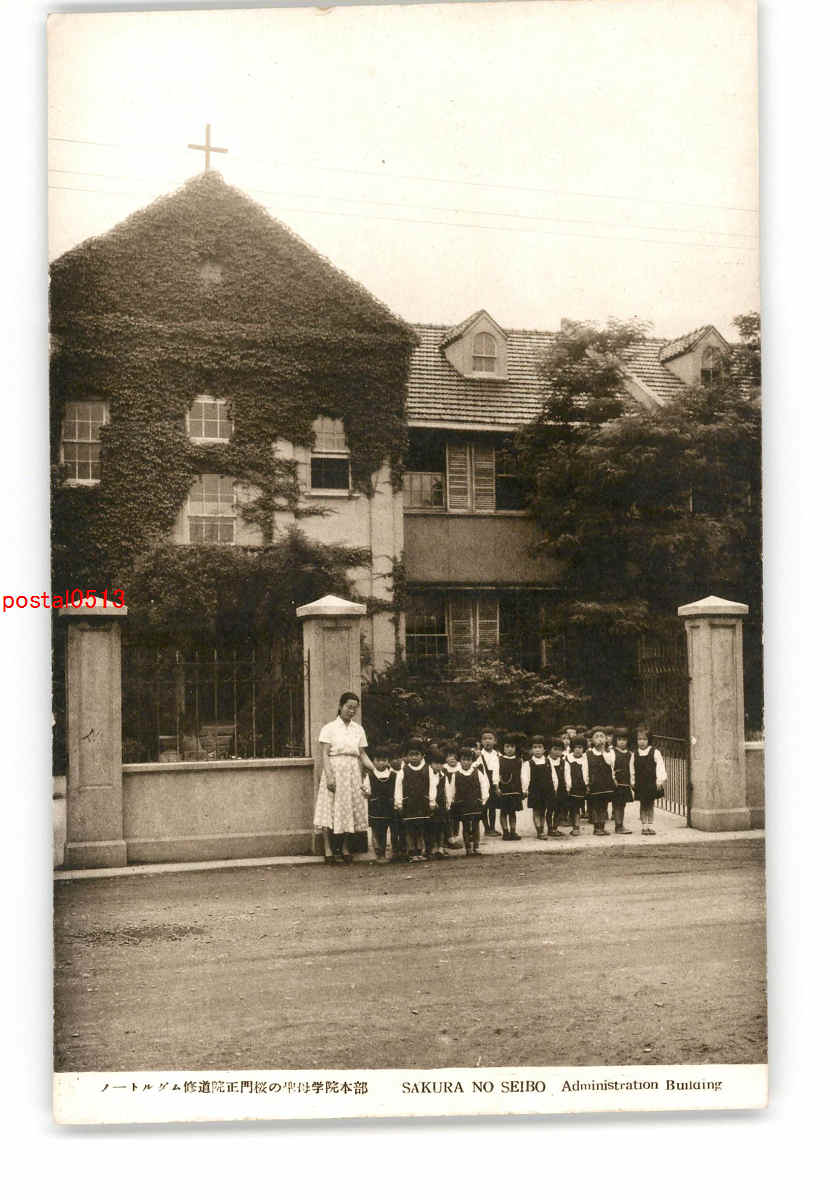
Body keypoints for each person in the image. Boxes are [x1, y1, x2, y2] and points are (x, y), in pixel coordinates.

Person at [314, 691, 376, 864]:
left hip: (352, 773)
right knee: (329, 809)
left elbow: (362, 754)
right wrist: (329, 776)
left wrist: (375, 769)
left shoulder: (358, 729)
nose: (351, 711)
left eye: (355, 708)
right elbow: (325, 754)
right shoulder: (329, 728)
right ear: (340, 706)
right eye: (349, 707)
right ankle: (328, 849)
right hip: (334, 770)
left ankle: (345, 848)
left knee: (349, 807)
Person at [394, 737, 437, 862]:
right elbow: (398, 787)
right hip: (409, 804)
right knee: (410, 828)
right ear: (407, 756)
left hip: (423, 803)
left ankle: (421, 850)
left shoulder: (428, 769)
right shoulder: (403, 770)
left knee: (422, 828)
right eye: (411, 755)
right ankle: (411, 851)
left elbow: (433, 785)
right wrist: (399, 803)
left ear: (422, 755)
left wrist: (432, 801)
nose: (414, 757)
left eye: (416, 754)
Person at [446, 745, 489, 856]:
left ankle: (476, 847)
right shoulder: (456, 774)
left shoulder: (477, 772)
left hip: (475, 802)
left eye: (469, 760)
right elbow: (451, 789)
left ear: (472, 761)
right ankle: (468, 848)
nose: (466, 762)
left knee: (475, 825)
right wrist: (450, 802)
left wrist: (483, 799)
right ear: (460, 761)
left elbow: (484, 786)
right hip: (462, 804)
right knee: (465, 826)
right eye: (464, 760)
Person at [522, 734, 558, 840]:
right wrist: (525, 790)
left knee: (543, 811)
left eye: (540, 747)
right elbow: (525, 778)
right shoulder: (528, 763)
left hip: (547, 790)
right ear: (531, 750)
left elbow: (554, 776)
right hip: (535, 791)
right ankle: (539, 831)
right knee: (536, 810)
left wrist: (555, 788)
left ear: (544, 749)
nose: (537, 750)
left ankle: (542, 828)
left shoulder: (548, 761)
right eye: (535, 747)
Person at [633, 725, 667, 835]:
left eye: (644, 739)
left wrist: (659, 780)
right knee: (643, 804)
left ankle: (650, 826)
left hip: (651, 783)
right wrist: (632, 781)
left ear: (649, 740)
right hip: (640, 783)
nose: (642, 742)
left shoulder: (655, 752)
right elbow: (631, 769)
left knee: (650, 804)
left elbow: (660, 766)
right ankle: (644, 826)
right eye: (639, 739)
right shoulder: (634, 754)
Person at [367, 745, 398, 862]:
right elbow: (367, 791)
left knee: (387, 830)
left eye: (384, 760)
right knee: (377, 831)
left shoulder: (393, 775)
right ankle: (379, 854)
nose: (381, 763)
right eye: (378, 760)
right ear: (373, 761)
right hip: (376, 808)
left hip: (389, 807)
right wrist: (365, 791)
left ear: (388, 761)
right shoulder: (370, 775)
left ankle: (391, 852)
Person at [587, 725, 616, 836]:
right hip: (595, 783)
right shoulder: (588, 753)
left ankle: (602, 826)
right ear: (592, 740)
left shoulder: (610, 753)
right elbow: (585, 769)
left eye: (602, 736)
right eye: (597, 737)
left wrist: (603, 750)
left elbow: (611, 764)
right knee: (595, 805)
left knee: (604, 805)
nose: (599, 739)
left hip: (606, 782)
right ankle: (596, 827)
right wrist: (587, 783)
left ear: (606, 739)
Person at [497, 733, 525, 840]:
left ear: (516, 748)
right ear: (503, 748)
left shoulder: (519, 760)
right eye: (507, 746)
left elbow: (522, 776)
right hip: (504, 790)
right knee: (503, 812)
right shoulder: (499, 760)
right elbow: (496, 774)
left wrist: (524, 789)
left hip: (515, 790)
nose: (509, 749)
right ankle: (505, 832)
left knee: (512, 812)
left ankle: (513, 831)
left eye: (512, 746)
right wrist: (496, 787)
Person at [477, 728, 502, 837]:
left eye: (490, 738)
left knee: (492, 807)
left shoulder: (498, 755)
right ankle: (486, 828)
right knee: (484, 806)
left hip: (494, 782)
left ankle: (492, 828)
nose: (487, 741)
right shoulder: (478, 755)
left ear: (495, 741)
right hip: (483, 782)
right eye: (485, 739)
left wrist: (497, 785)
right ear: (481, 741)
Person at [565, 735, 588, 836]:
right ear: (572, 748)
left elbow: (586, 772)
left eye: (580, 747)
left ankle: (576, 827)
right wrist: (567, 786)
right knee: (571, 807)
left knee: (577, 807)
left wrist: (587, 784)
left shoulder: (585, 759)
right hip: (570, 786)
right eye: (575, 747)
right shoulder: (567, 759)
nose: (578, 750)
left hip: (580, 787)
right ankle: (570, 822)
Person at [611, 726, 633, 833]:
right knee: (617, 804)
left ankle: (620, 824)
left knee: (622, 804)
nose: (622, 742)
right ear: (615, 740)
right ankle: (618, 825)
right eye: (619, 739)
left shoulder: (630, 754)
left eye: (624, 740)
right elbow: (610, 767)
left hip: (625, 782)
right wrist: (613, 778)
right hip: (617, 782)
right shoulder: (612, 753)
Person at [547, 734, 568, 837]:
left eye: (560, 750)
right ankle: (549, 828)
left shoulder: (564, 763)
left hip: (561, 789)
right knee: (550, 809)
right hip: (549, 789)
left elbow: (567, 776)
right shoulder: (545, 762)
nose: (557, 752)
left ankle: (555, 828)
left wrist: (568, 787)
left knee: (559, 809)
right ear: (549, 750)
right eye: (555, 749)